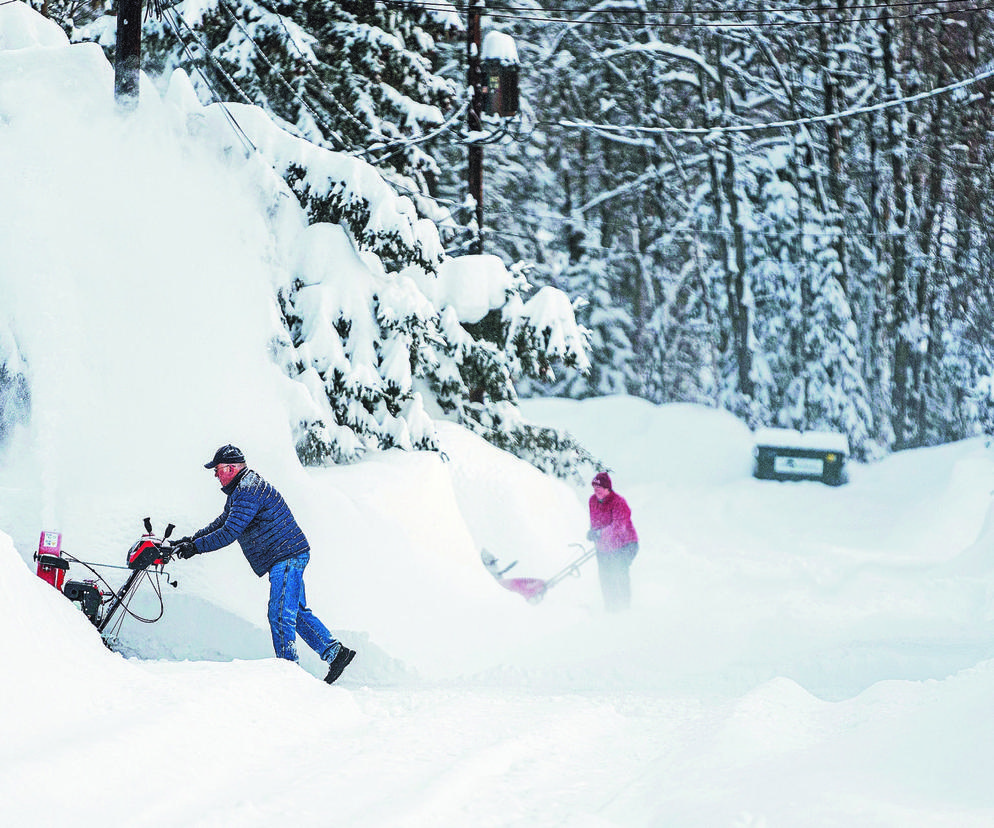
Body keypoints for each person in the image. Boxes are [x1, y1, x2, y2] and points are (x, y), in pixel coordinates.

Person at [172, 444, 355, 685]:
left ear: (230, 468)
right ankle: (336, 653)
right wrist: (191, 540)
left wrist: (196, 548)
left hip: (287, 556)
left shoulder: (248, 490)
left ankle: (290, 676)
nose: (215, 475)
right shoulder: (243, 488)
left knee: (280, 614)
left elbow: (229, 532)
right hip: (288, 555)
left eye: (217, 470)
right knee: (295, 612)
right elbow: (222, 522)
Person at [587, 471, 639, 612]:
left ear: (607, 488)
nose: (596, 491)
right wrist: (593, 533)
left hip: (626, 544)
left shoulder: (619, 502)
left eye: (600, 489)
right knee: (605, 577)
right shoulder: (592, 501)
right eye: (595, 489)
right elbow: (595, 522)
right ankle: (610, 609)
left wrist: (601, 533)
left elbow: (619, 527)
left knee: (619, 572)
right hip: (605, 547)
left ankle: (624, 608)